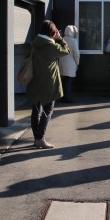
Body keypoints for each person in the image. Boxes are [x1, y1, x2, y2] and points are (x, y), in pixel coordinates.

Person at [26, 20, 70, 149]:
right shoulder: (51, 46)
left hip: (34, 82)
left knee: (36, 111)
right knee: (47, 111)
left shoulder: (35, 43)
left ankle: (36, 137)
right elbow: (66, 51)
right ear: (52, 32)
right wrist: (60, 38)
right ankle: (40, 138)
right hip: (48, 83)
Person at [59, 25, 80, 103]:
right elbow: (76, 54)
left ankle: (62, 96)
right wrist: (77, 63)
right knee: (68, 81)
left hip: (61, 63)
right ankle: (67, 98)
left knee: (63, 81)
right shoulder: (73, 41)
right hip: (70, 64)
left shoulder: (62, 39)